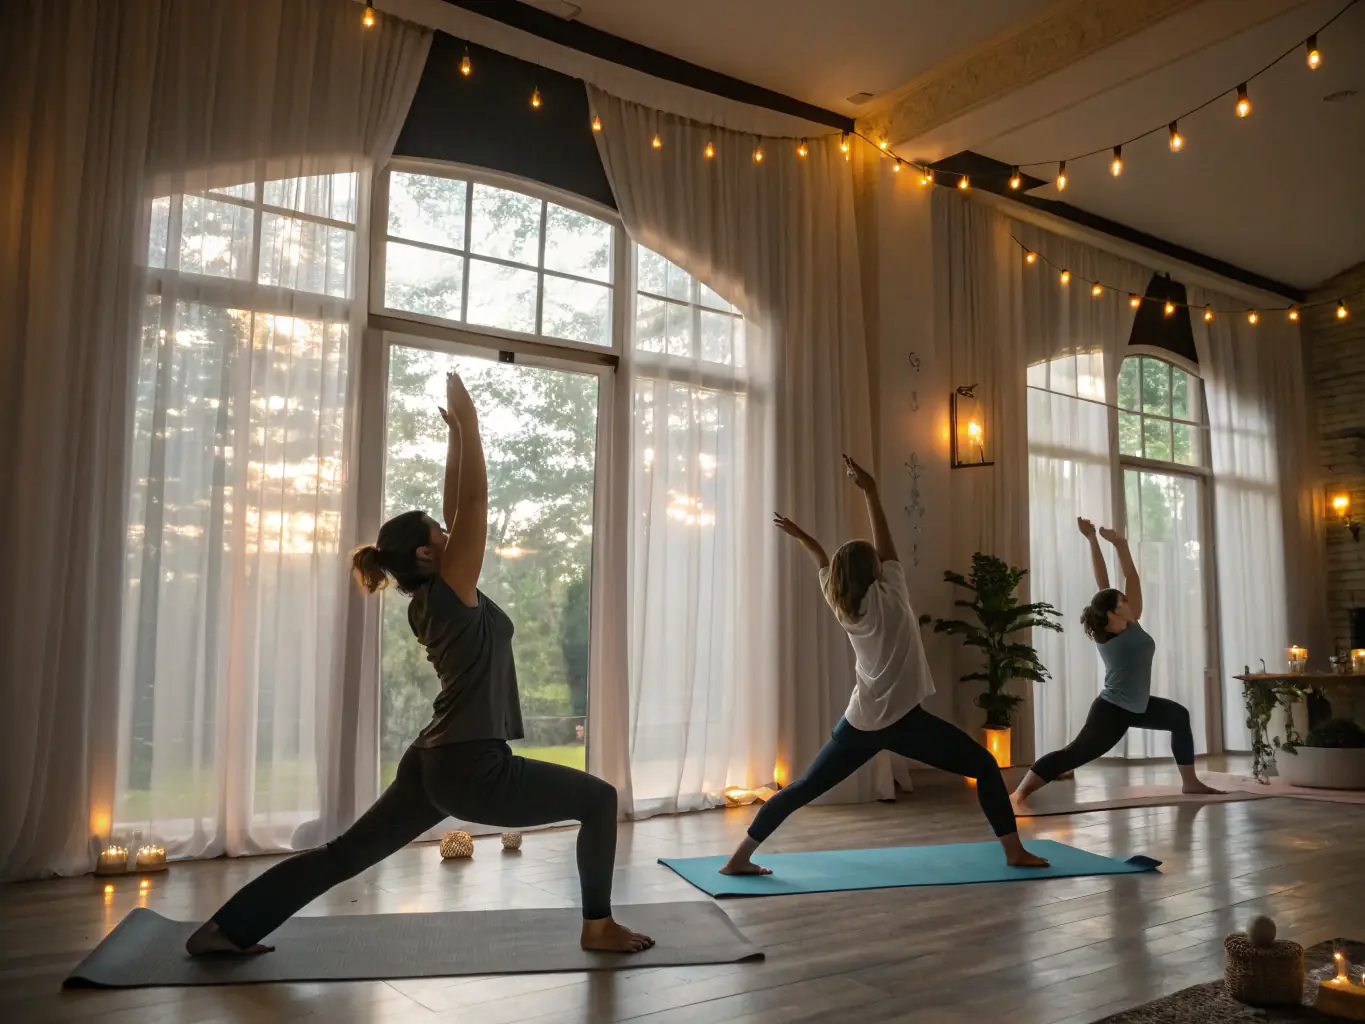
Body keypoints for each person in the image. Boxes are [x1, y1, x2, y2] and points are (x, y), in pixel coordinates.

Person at [187, 370, 653, 956]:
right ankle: (598, 926)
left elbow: (456, 502)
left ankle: (223, 930)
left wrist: (458, 432)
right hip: (471, 765)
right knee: (600, 799)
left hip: (432, 760)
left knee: (346, 855)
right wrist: (475, 423)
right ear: (427, 553)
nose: (451, 528)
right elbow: (475, 501)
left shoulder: (434, 599)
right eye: (440, 531)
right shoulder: (449, 595)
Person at [720, 456, 1051, 876]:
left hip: (860, 720)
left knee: (803, 788)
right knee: (985, 767)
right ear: (875, 570)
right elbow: (882, 542)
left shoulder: (842, 605)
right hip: (904, 721)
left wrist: (801, 535)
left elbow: (823, 561)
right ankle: (1014, 852)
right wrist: (870, 492)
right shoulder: (893, 593)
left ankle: (738, 858)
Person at [1011, 517, 1222, 809]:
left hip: (1138, 704)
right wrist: (1109, 543)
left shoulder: (1121, 622)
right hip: (1113, 710)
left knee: (1178, 717)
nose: (1129, 601)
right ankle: (1019, 793)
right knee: (1074, 754)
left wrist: (1098, 540)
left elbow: (1115, 581)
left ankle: (1190, 782)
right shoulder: (1114, 635)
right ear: (1112, 613)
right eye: (1122, 600)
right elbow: (1119, 583)